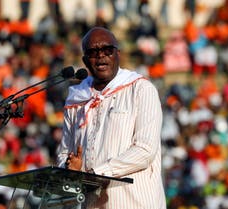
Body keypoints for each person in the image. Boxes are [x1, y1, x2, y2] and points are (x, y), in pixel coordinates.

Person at [56, 26, 166, 209]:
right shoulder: (77, 99)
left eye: (107, 50)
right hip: (92, 204)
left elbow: (145, 150)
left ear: (117, 54)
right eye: (93, 52)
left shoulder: (140, 89)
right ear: (85, 60)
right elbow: (64, 153)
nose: (101, 56)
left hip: (136, 203)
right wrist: (70, 169)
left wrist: (96, 174)